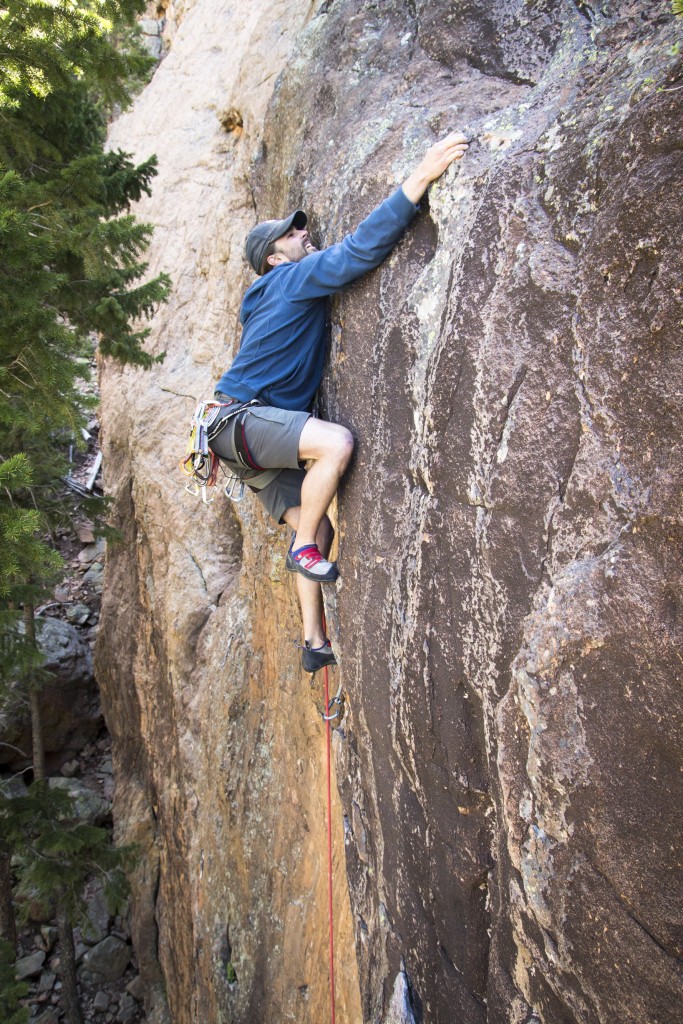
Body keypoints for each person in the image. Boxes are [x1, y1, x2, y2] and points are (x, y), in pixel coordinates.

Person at [210, 131, 469, 672]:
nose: (303, 233)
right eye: (290, 232)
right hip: (245, 424)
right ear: (274, 258)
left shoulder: (271, 297)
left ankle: (313, 641)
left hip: (240, 439)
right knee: (336, 445)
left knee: (319, 524)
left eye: (300, 227)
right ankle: (302, 548)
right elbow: (356, 252)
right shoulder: (289, 281)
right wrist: (419, 178)